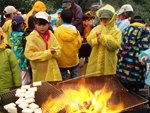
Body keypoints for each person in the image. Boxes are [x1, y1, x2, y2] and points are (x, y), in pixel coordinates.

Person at [24, 11, 62, 82]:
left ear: (49, 24)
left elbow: (59, 50)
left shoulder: (51, 34)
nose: (42, 27)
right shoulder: (32, 37)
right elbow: (29, 54)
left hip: (53, 71)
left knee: (55, 90)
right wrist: (48, 53)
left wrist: (55, 52)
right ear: (35, 24)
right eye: (39, 24)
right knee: (42, 90)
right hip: (40, 72)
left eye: (44, 25)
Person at [116, 16, 150, 92]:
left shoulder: (125, 30)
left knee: (124, 89)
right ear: (143, 23)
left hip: (123, 64)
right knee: (134, 89)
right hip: (135, 66)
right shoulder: (145, 32)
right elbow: (145, 49)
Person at [85, 4, 121, 76]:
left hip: (109, 60)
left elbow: (115, 45)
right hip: (95, 58)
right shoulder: (97, 28)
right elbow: (89, 40)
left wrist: (102, 37)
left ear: (112, 18)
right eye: (103, 18)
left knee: (107, 82)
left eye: (107, 18)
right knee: (93, 81)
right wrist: (97, 40)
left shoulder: (116, 31)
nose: (104, 20)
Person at [54, 9, 82, 80]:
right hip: (73, 59)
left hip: (62, 61)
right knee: (75, 79)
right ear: (72, 19)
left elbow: (55, 45)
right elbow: (79, 44)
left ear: (61, 18)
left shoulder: (57, 31)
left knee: (65, 81)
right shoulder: (75, 31)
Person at [10, 15, 30, 85]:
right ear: (21, 24)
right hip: (22, 58)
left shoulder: (12, 34)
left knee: (20, 75)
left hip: (15, 56)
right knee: (24, 77)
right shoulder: (23, 35)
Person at [0, 27, 21, 93]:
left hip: (7, 88)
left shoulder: (7, 52)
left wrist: (17, 84)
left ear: (1, 38)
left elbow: (15, 69)